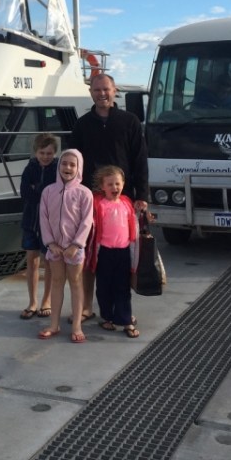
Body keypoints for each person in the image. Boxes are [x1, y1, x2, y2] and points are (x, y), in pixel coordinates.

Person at [69, 73, 148, 323]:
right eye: (97, 90)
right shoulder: (82, 124)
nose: (101, 94)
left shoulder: (130, 121)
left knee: (121, 258)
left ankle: (121, 309)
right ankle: (86, 306)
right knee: (88, 253)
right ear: (90, 92)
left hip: (121, 199)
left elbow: (139, 161)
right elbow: (75, 163)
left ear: (115, 92)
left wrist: (142, 195)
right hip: (90, 200)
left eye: (106, 89)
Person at [38, 149, 93, 344]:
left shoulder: (84, 193)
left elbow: (87, 221)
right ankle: (54, 324)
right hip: (54, 248)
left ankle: (77, 325)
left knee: (76, 283)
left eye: (72, 164)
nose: (67, 167)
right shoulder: (48, 191)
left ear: (79, 168)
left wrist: (77, 244)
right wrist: (50, 243)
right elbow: (43, 219)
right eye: (64, 163)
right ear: (58, 165)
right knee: (56, 282)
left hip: (74, 249)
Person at [89, 165, 140, 339]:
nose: (114, 188)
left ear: (123, 184)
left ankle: (126, 320)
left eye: (117, 184)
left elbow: (134, 223)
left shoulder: (126, 202)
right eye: (110, 184)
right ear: (102, 187)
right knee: (104, 288)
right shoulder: (98, 204)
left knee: (123, 288)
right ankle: (107, 317)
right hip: (104, 253)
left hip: (123, 252)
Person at [18, 133, 58, 320]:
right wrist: (42, 195)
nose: (45, 157)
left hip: (49, 223)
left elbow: (55, 195)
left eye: (49, 153)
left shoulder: (57, 169)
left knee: (48, 260)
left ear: (55, 153)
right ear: (36, 152)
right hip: (30, 221)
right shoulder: (30, 168)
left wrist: (39, 192)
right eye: (42, 153)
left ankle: (46, 300)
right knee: (32, 259)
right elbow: (25, 193)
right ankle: (32, 301)